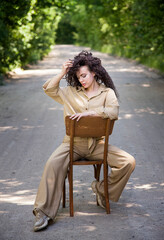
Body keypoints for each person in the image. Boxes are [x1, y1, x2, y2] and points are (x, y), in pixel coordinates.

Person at [33, 51, 136, 232]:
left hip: (98, 145)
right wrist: (62, 73)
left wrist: (91, 113)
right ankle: (43, 212)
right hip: (72, 144)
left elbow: (113, 112)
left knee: (128, 162)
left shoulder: (107, 92)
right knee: (52, 164)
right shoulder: (70, 92)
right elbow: (49, 89)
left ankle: (102, 190)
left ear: (94, 72)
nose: (81, 80)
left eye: (84, 75)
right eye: (78, 77)